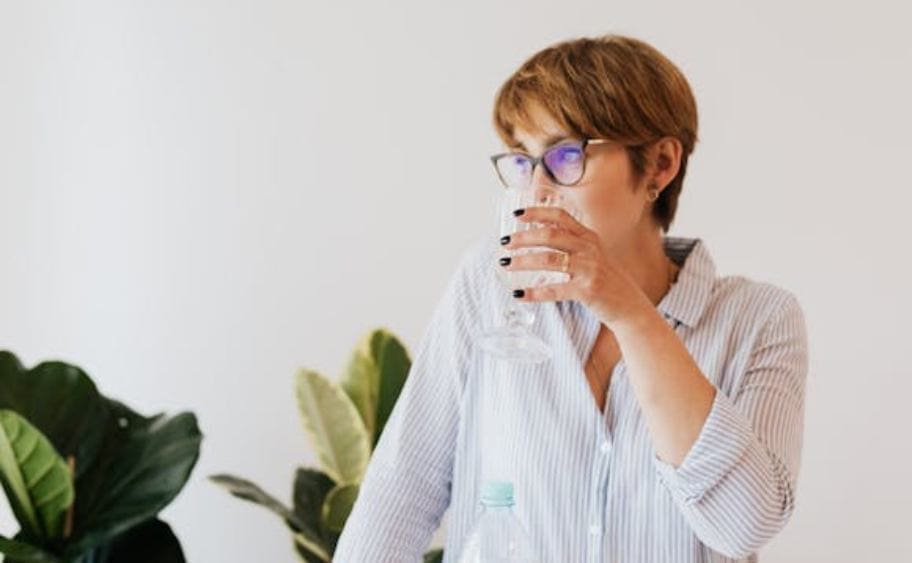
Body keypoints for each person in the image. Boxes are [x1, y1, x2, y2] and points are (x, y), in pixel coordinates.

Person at [333, 34, 809, 562]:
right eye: (522, 161)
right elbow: (402, 490)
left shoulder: (759, 320)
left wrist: (628, 311)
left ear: (659, 165)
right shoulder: (491, 283)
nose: (536, 188)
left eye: (564, 156)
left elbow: (744, 526)